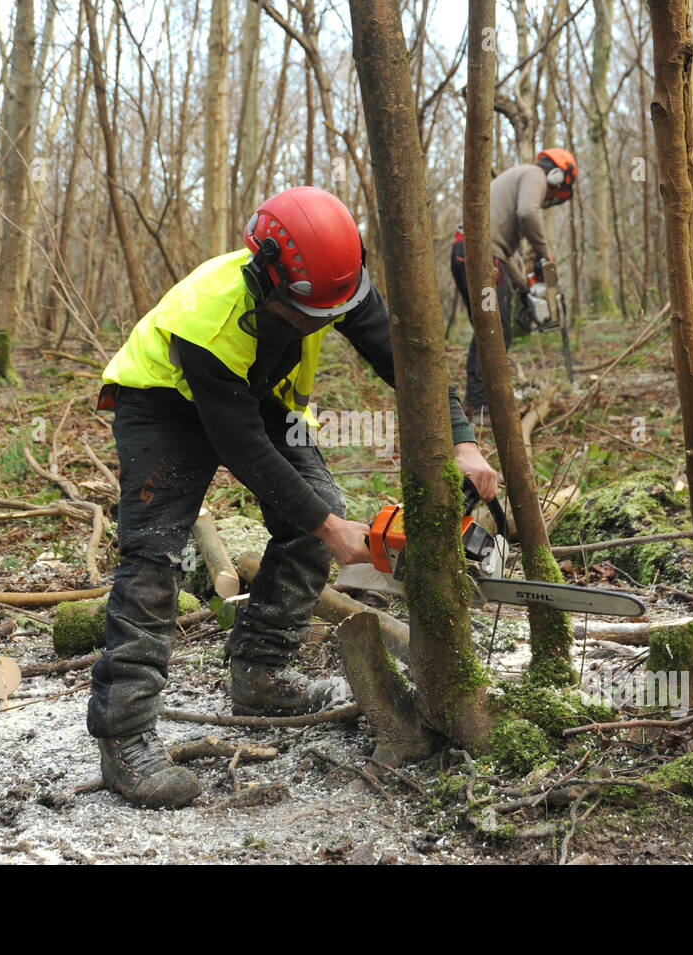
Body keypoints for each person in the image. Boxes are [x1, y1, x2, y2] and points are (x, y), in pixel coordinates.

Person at [89, 186, 500, 809]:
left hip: (262, 398)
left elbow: (407, 363)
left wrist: (461, 439)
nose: (324, 320)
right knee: (154, 557)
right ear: (270, 279)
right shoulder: (214, 317)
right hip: (164, 402)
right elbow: (244, 448)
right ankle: (125, 737)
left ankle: (260, 672)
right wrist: (327, 526)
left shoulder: (338, 283)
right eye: (311, 310)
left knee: (316, 514)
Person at [451, 147, 578, 420]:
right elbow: (527, 214)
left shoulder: (519, 178)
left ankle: (476, 403)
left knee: (487, 328)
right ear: (556, 175)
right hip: (481, 256)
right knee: (495, 330)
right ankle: (483, 406)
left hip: (467, 252)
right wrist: (547, 258)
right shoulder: (535, 174)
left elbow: (506, 255)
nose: (549, 198)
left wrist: (524, 286)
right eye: (554, 194)